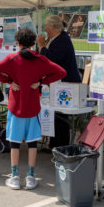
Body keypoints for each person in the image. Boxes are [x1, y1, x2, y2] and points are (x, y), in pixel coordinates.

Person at [0, 28, 66, 190]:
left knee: (15, 143)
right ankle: (31, 176)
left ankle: (15, 176)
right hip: (33, 107)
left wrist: (10, 81)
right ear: (33, 43)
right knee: (32, 143)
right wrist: (41, 82)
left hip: (15, 107)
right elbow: (61, 72)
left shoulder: (11, 58)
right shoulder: (40, 59)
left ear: (17, 42)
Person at [37, 15, 81, 149]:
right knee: (55, 114)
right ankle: (54, 143)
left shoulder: (62, 40)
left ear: (53, 27)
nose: (45, 29)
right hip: (57, 83)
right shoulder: (55, 39)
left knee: (61, 115)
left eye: (46, 26)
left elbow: (50, 61)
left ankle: (61, 145)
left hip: (65, 83)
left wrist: (42, 46)